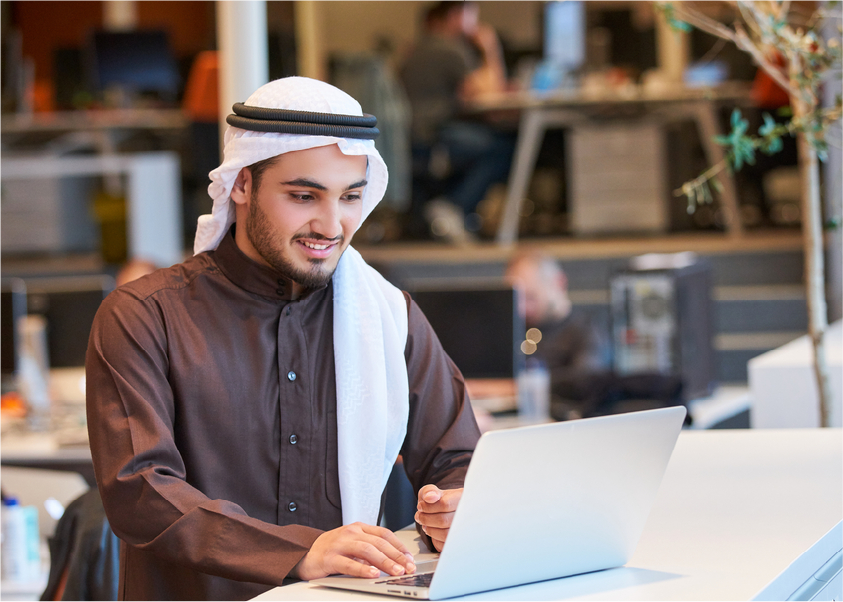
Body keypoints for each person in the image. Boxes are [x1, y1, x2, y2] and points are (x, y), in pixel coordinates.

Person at [86, 76, 480, 602]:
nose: (331, 224)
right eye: (303, 195)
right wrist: (298, 552)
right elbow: (140, 491)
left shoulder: (388, 314)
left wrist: (457, 504)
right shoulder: (143, 316)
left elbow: (459, 456)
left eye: (350, 197)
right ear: (242, 185)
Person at [504, 252, 683, 420]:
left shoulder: (587, 331)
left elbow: (585, 381)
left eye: (531, 297)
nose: (522, 308)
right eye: (516, 298)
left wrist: (513, 387)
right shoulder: (519, 330)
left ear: (558, 283)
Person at [400, 0, 513, 242]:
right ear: (457, 15)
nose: (476, 23)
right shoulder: (450, 49)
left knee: (486, 140)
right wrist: (490, 47)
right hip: (437, 135)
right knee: (502, 147)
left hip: (415, 135)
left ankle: (451, 209)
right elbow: (491, 93)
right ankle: (455, 206)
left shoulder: (416, 49)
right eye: (472, 15)